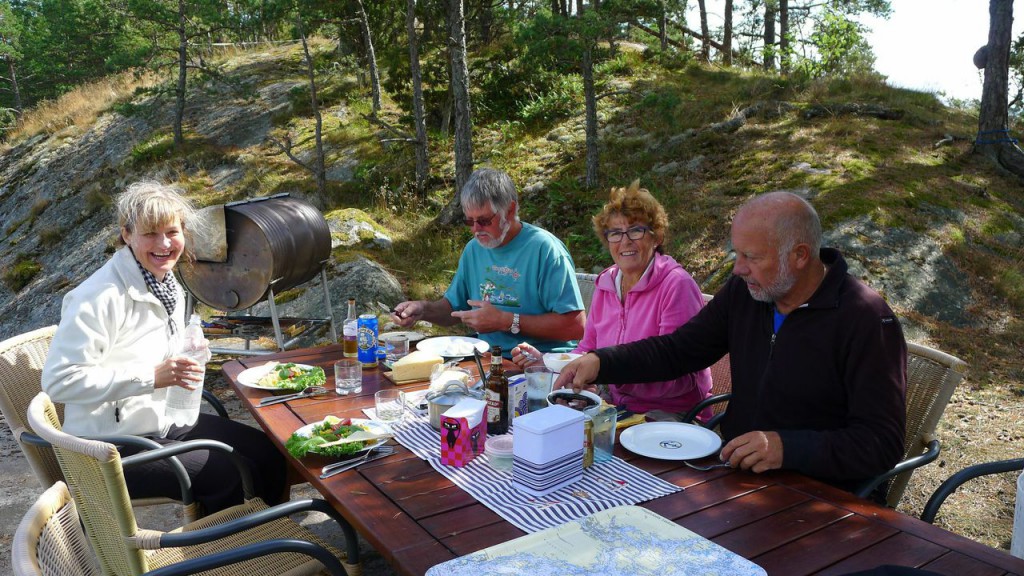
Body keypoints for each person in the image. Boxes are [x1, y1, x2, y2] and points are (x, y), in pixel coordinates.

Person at [555, 191, 907, 492]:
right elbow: (680, 350)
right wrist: (602, 361)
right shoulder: (748, 292)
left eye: (751, 257)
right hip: (738, 476)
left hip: (819, 494)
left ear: (800, 256)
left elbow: (881, 442)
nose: (738, 268)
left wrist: (788, 447)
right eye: (737, 254)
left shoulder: (865, 318)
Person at [42, 180, 287, 514]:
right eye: (150, 234)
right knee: (223, 472)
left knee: (268, 454)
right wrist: (151, 377)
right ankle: (218, 558)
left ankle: (265, 540)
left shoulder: (166, 283)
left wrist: (188, 352)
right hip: (108, 446)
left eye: (172, 232)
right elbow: (59, 381)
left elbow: (143, 350)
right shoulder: (97, 297)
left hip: (160, 422)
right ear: (126, 234)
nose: (164, 244)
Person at [511, 181, 712, 419]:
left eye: (636, 230)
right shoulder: (607, 284)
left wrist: (601, 373)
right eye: (615, 233)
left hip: (672, 415)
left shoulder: (676, 285)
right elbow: (587, 349)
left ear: (656, 236)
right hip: (615, 408)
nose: (625, 241)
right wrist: (549, 363)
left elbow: (676, 374)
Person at [392, 168, 585, 355]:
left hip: (542, 361)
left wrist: (506, 321)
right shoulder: (474, 249)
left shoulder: (545, 249)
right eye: (469, 221)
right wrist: (423, 310)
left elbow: (575, 327)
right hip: (489, 358)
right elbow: (453, 308)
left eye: (484, 221)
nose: (476, 230)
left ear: (510, 210)